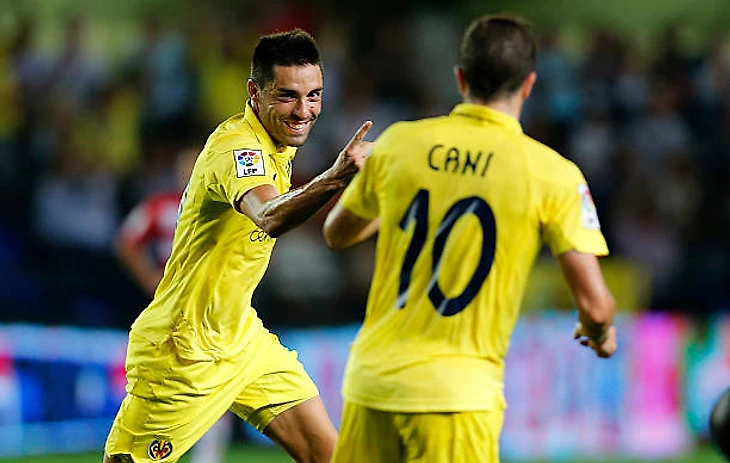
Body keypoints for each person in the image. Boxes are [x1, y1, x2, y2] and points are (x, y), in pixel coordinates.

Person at [323, 14, 618, 463]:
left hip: (371, 385)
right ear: (528, 85)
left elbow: (336, 233)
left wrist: (398, 200)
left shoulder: (399, 144)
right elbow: (595, 305)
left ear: (460, 78)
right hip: (457, 397)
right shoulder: (551, 173)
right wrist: (600, 333)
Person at [104, 28, 372, 463]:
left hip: (241, 338)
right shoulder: (237, 149)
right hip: (183, 351)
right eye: (287, 96)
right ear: (255, 92)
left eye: (314, 95)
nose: (303, 111)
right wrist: (338, 175)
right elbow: (268, 216)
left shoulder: (277, 141)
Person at [114, 146, 234, 463]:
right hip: (171, 309)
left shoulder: (224, 205)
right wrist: (151, 281)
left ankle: (205, 456)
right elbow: (127, 241)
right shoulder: (160, 206)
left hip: (212, 307)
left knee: (212, 377)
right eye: (187, 166)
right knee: (168, 380)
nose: (192, 172)